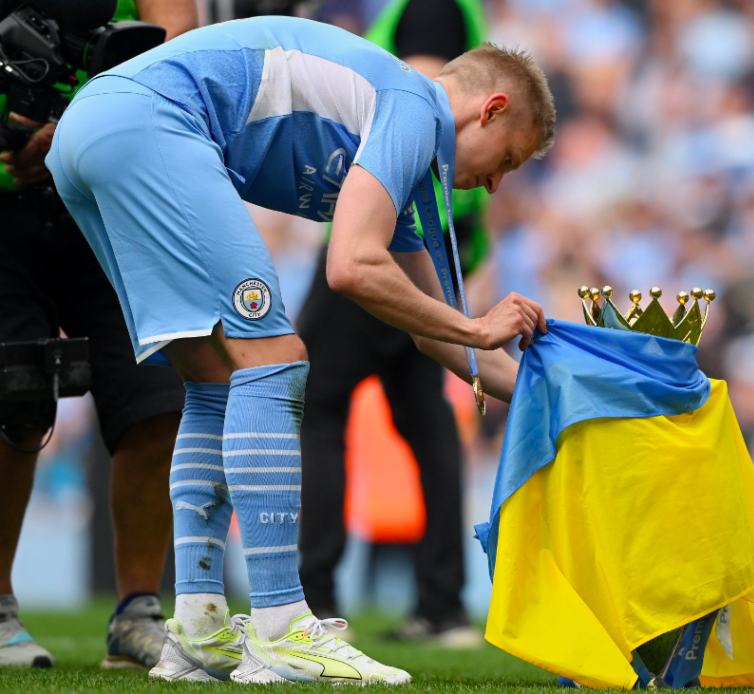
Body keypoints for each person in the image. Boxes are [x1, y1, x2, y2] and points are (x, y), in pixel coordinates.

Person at [46, 15, 555, 685]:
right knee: (278, 357)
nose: (493, 187)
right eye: (507, 161)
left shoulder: (401, 161)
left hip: (88, 136)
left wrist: (561, 400)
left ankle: (197, 624)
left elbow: (437, 331)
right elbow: (350, 267)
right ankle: (283, 624)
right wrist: (476, 327)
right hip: (151, 123)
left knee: (214, 376)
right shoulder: (413, 104)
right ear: (489, 112)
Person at [0, 0, 197, 670]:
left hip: (111, 198)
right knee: (15, 397)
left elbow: (182, 49)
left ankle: (138, 611)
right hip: (5, 210)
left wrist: (80, 126)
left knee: (158, 399)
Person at [298, 0, 491, 647]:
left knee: (317, 410)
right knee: (426, 419)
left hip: (395, 234)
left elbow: (417, 112)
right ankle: (443, 604)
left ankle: (315, 603)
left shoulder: (428, 10)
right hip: (431, 238)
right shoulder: (459, 13)